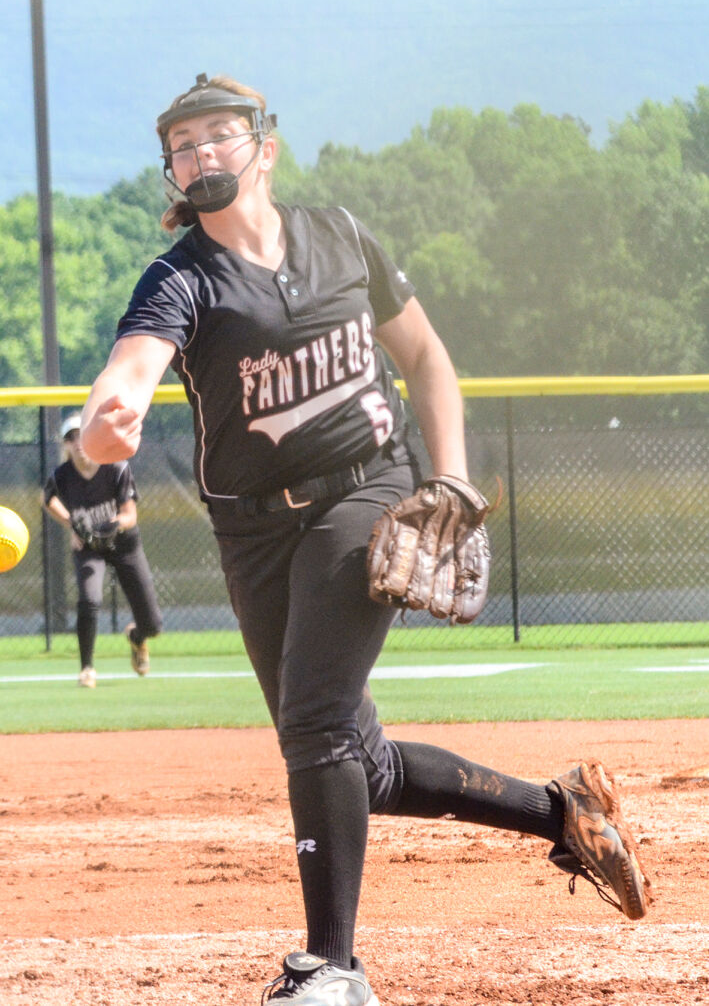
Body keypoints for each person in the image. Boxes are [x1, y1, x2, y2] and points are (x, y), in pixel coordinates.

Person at [77, 74, 653, 1005]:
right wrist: (106, 423)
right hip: (252, 532)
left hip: (367, 491)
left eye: (218, 134)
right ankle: (563, 810)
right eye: (181, 146)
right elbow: (128, 373)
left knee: (312, 727)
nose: (201, 154)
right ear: (173, 173)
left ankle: (332, 968)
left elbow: (423, 356)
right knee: (354, 758)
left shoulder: (340, 235)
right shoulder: (180, 276)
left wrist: (453, 474)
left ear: (265, 145)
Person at [42, 411, 164, 685]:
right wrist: (71, 523)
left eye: (81, 436)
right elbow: (47, 498)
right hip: (89, 547)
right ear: (66, 445)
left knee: (153, 625)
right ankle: (87, 668)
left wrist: (114, 524)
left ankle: (137, 637)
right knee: (89, 600)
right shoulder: (62, 475)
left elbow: (130, 515)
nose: (77, 442)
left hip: (123, 544)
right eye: (70, 438)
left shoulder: (115, 467)